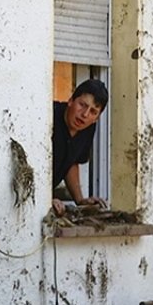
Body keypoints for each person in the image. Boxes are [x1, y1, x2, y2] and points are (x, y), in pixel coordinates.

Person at [51, 78, 108, 216]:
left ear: (96, 118)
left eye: (93, 112)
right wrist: (44, 199)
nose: (85, 114)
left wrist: (80, 200)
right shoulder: (49, 115)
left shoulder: (88, 128)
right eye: (82, 105)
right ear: (71, 100)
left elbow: (72, 162)